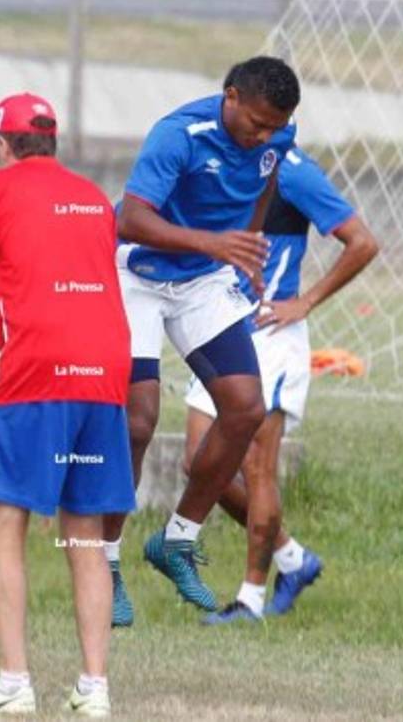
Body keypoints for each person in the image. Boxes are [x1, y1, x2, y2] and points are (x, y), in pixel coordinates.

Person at [0, 93, 133, 717]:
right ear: (51, 140)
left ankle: (16, 681)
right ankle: (94, 688)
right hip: (105, 373)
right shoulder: (95, 198)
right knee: (86, 533)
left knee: (2, 519)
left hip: (36, 372)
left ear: (2, 144)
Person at [104, 56, 300, 623]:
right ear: (231, 96)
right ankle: (108, 564)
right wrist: (214, 243)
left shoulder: (278, 134)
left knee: (245, 409)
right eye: (256, 123)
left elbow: (267, 179)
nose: (264, 135)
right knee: (138, 420)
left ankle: (176, 540)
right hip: (135, 273)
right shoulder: (178, 134)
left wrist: (248, 244)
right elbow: (131, 220)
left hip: (202, 279)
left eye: (275, 126)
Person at [183, 146, 377, 624]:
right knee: (198, 463)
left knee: (256, 467)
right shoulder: (216, 160)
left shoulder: (293, 171)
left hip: (270, 335)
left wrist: (304, 301)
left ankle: (250, 600)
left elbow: (363, 242)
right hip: (219, 329)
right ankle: (292, 559)